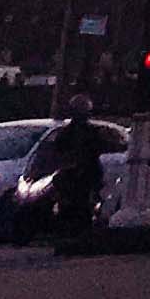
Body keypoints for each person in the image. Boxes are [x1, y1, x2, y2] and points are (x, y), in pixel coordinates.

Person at [43, 96, 107, 253]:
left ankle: (78, 240)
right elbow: (56, 156)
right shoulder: (69, 134)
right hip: (73, 180)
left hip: (83, 179)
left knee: (83, 210)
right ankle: (71, 240)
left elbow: (97, 155)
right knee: (69, 210)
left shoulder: (88, 133)